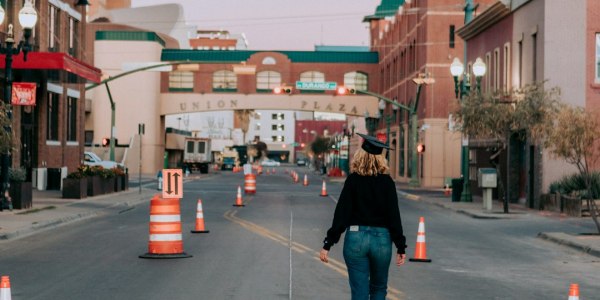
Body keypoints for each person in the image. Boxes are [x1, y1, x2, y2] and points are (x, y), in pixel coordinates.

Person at [319, 133, 407, 300]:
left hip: (355, 238)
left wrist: (328, 243)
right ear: (381, 158)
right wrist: (400, 246)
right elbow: (394, 216)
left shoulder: (353, 180)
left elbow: (342, 214)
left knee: (359, 292)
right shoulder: (387, 183)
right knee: (379, 288)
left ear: (360, 156)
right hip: (382, 240)